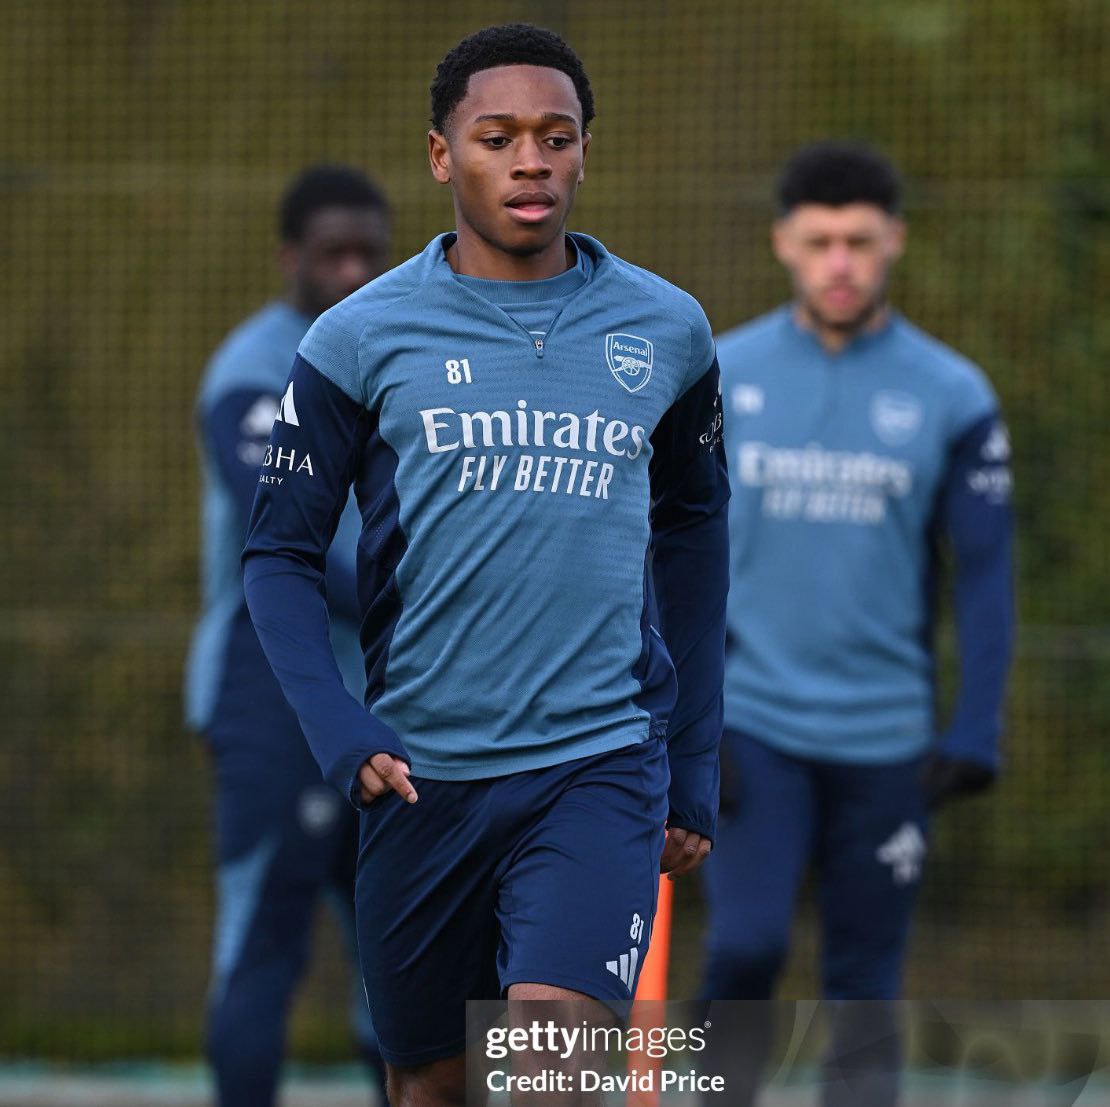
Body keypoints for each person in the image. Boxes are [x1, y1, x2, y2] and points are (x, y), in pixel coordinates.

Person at [241, 23, 729, 1107]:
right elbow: (277, 554)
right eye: (497, 137)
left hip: (598, 763)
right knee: (432, 1087)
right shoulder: (357, 339)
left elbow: (697, 534)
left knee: (556, 1067)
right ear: (440, 154)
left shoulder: (669, 330)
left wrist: (692, 754)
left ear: (586, 150)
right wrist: (340, 726)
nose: (530, 161)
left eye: (556, 137)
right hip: (422, 777)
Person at [700, 142, 1015, 1105]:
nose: (840, 263)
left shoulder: (953, 394)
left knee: (863, 985)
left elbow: (986, 572)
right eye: (820, 241)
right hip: (752, 727)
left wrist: (975, 725)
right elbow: (658, 555)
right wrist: (680, 718)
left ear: (895, 242)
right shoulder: (721, 373)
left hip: (887, 739)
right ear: (783, 243)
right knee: (746, 944)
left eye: (860, 242)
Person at [185, 164, 391, 1106]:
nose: (353, 273)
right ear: (289, 258)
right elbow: (287, 543)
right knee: (264, 945)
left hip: (392, 698)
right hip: (271, 697)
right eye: (332, 254)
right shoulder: (253, 374)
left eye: (369, 254)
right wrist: (429, 603)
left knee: (404, 962)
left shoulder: (405, 361)